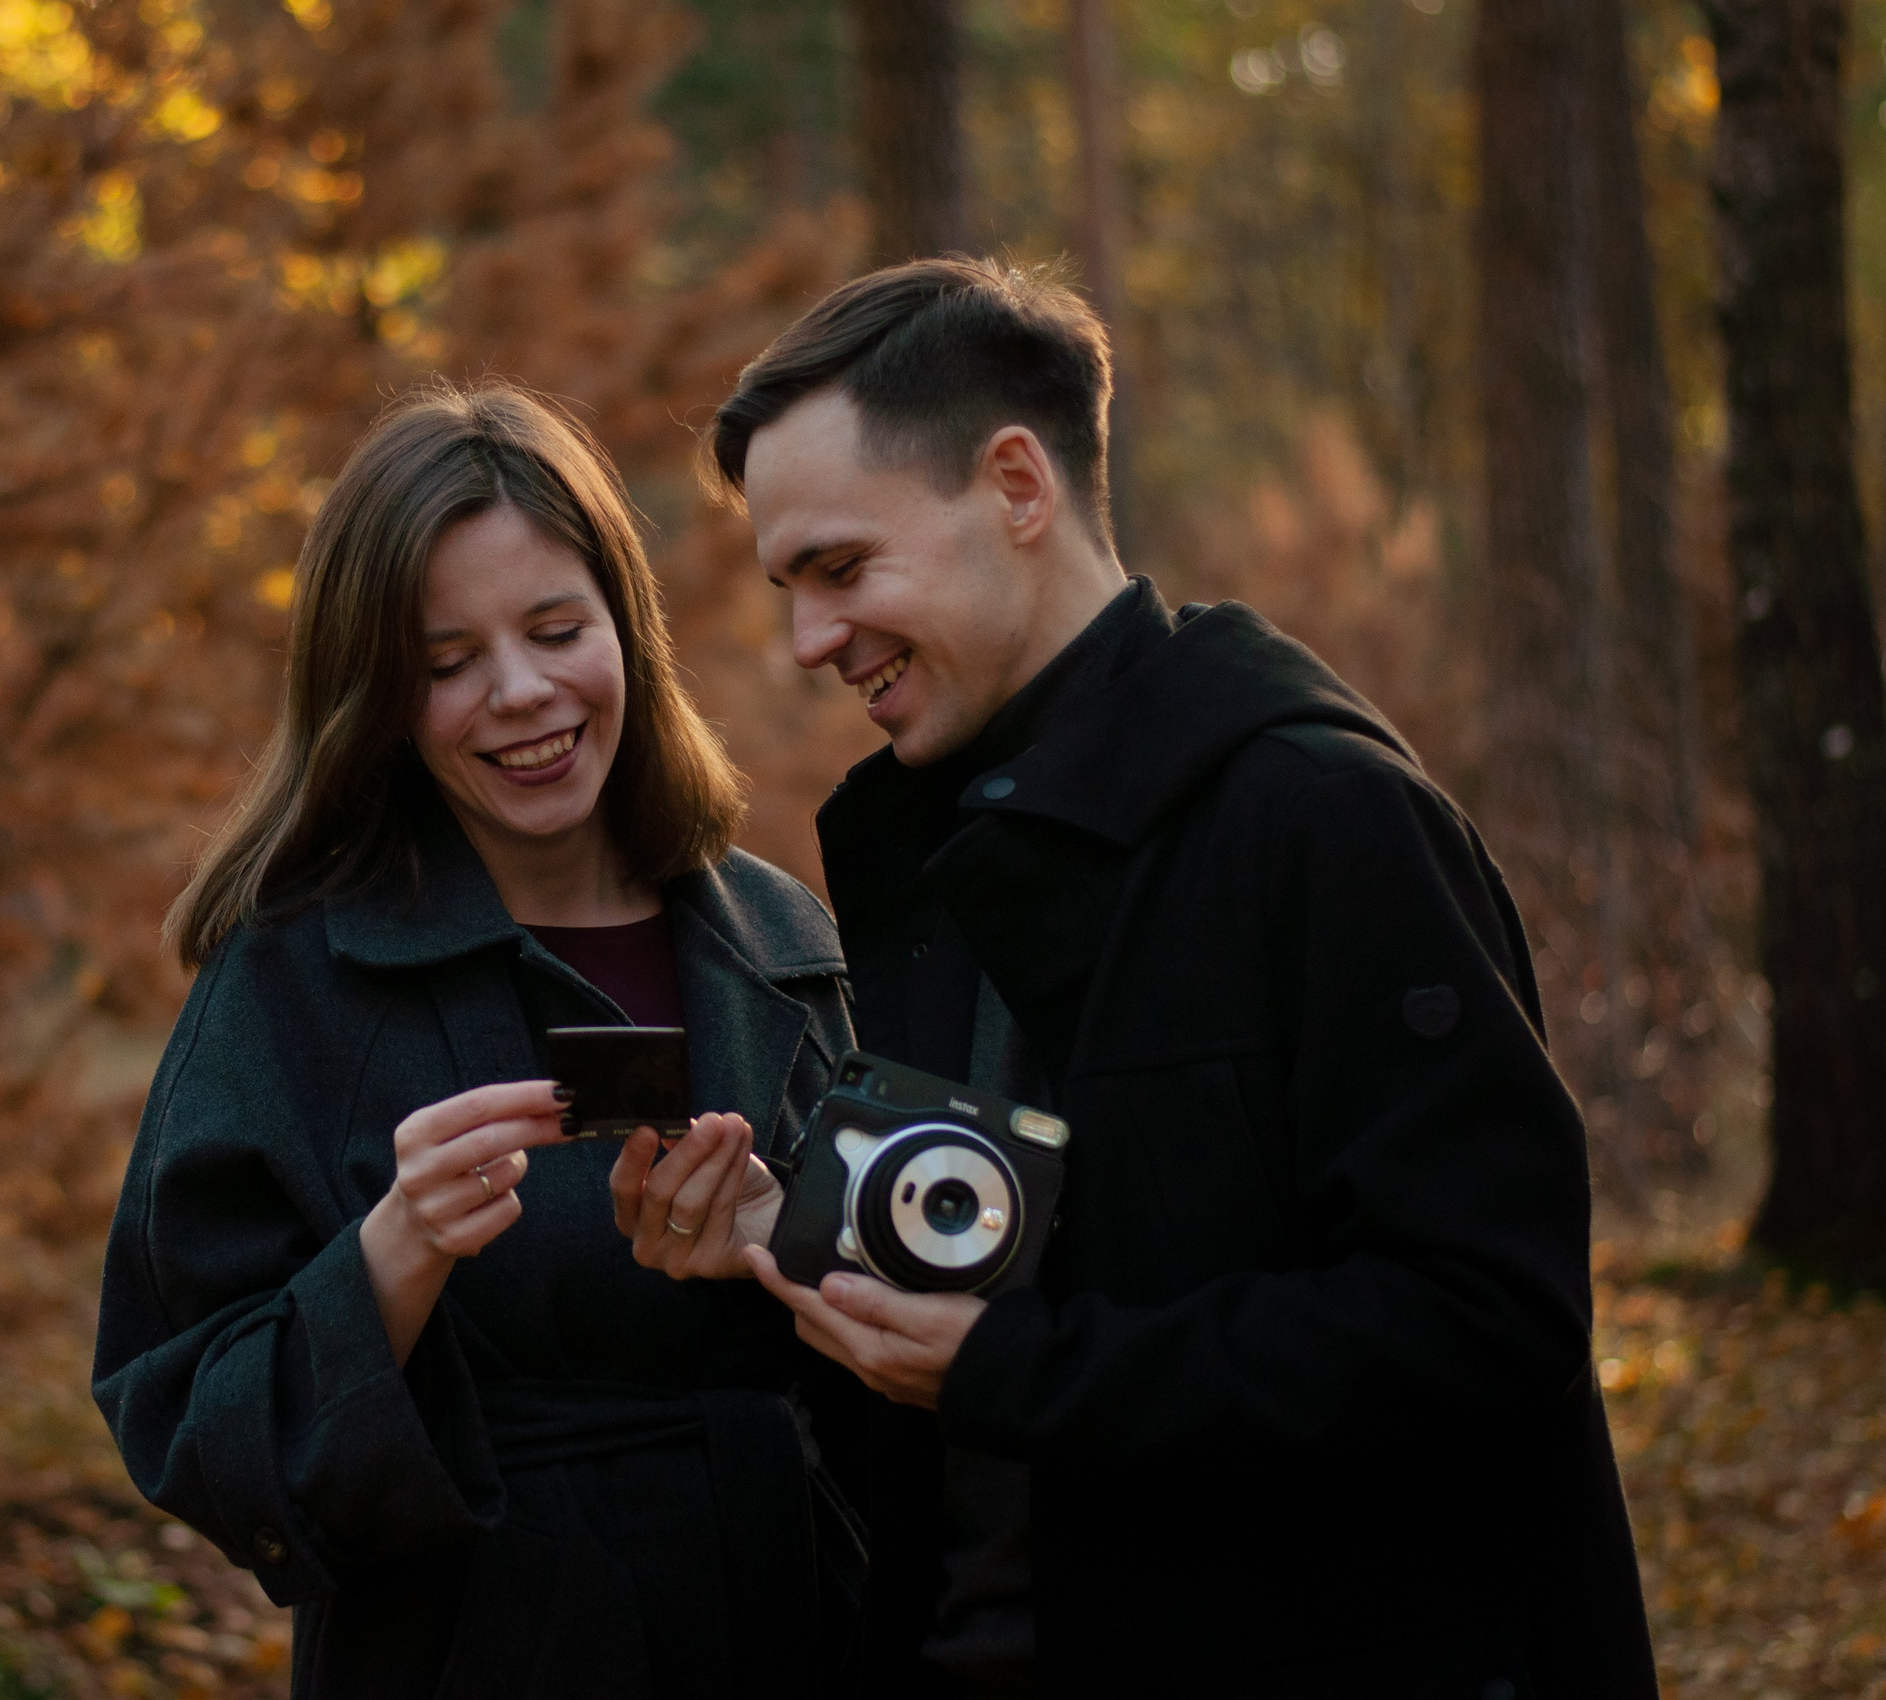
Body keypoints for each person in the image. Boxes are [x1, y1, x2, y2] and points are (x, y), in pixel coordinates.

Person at [624, 257, 1658, 1697]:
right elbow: (984, 1314)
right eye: (790, 589)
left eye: (844, 570)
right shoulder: (922, 856)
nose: (808, 643)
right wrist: (783, 1250)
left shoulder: (1322, 819)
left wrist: (1019, 1370)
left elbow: (1489, 1317)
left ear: (1018, 486)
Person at [91, 380, 873, 1700]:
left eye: (557, 630)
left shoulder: (778, 936)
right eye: (446, 665)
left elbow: (918, 1337)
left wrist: (782, 1238)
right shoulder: (295, 980)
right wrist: (392, 1258)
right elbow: (179, 1410)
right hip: (473, 1647)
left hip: (796, 1631)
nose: (519, 693)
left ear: (626, 628)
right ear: (379, 701)